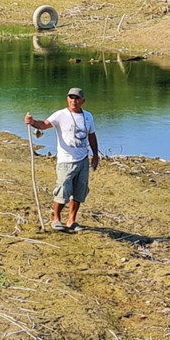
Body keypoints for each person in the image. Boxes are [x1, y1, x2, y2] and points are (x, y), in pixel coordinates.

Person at [24, 87, 99, 232]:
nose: (73, 101)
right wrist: (32, 122)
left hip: (83, 159)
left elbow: (92, 135)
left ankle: (72, 220)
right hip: (65, 160)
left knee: (79, 191)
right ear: (67, 99)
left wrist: (95, 155)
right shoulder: (61, 115)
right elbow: (45, 124)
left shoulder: (88, 116)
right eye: (71, 97)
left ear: (83, 101)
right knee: (63, 190)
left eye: (77, 98)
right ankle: (56, 219)